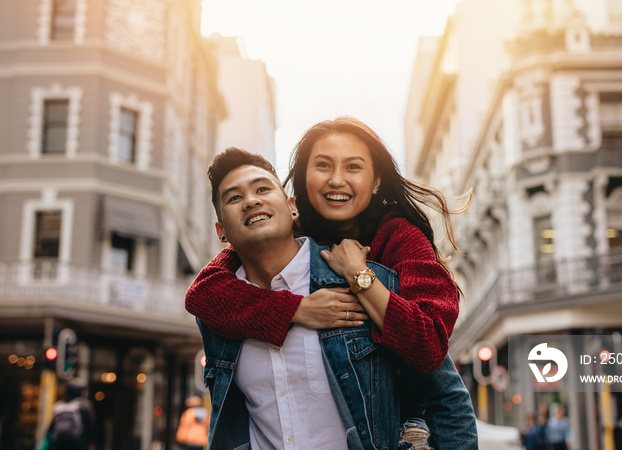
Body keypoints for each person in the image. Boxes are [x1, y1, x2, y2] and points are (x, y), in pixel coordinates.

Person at [187, 118, 477, 447]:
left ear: (376, 180)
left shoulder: (398, 239)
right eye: (323, 165)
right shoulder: (280, 235)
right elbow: (202, 293)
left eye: (353, 167)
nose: (336, 180)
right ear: (302, 182)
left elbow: (431, 355)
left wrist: (358, 275)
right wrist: (295, 309)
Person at [47, 380, 96, 450]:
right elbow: (90, 426)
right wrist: (92, 442)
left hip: (59, 442)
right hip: (78, 443)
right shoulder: (84, 405)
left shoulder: (59, 406)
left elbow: (51, 428)